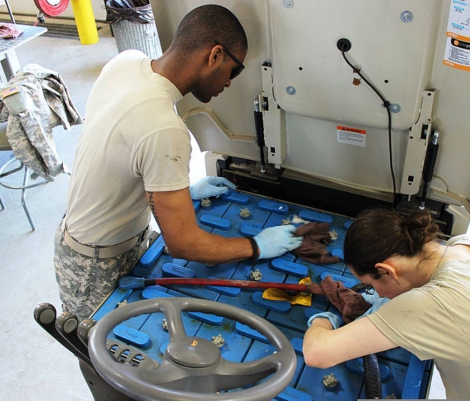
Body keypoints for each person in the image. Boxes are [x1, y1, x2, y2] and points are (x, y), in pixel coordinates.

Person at [54, 4, 302, 321]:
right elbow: (184, 244)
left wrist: (179, 189)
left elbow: (122, 150)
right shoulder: (164, 128)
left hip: (84, 234)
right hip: (95, 264)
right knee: (105, 346)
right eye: (234, 70)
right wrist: (255, 246)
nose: (230, 82)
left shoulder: (125, 62)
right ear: (215, 55)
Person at [303, 209, 470, 399]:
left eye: (370, 284)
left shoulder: (432, 303)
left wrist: (323, 320)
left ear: (387, 271)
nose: (377, 293)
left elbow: (317, 353)